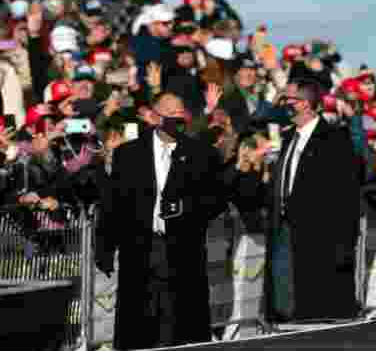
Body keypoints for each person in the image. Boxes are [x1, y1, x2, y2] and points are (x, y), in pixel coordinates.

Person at [95, 92, 229, 350]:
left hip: (184, 247)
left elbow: (218, 199)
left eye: (181, 118)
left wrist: (187, 208)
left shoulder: (202, 154)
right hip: (140, 247)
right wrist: (105, 247)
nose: (177, 124)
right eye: (171, 117)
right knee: (140, 316)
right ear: (155, 117)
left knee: (180, 317)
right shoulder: (129, 153)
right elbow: (113, 204)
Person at [253, 78, 360, 322]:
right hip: (283, 230)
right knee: (283, 305)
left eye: (288, 99)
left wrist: (344, 244)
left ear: (305, 104)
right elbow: (257, 119)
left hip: (319, 241)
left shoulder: (334, 140)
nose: (283, 104)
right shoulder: (290, 136)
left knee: (315, 314)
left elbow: (346, 198)